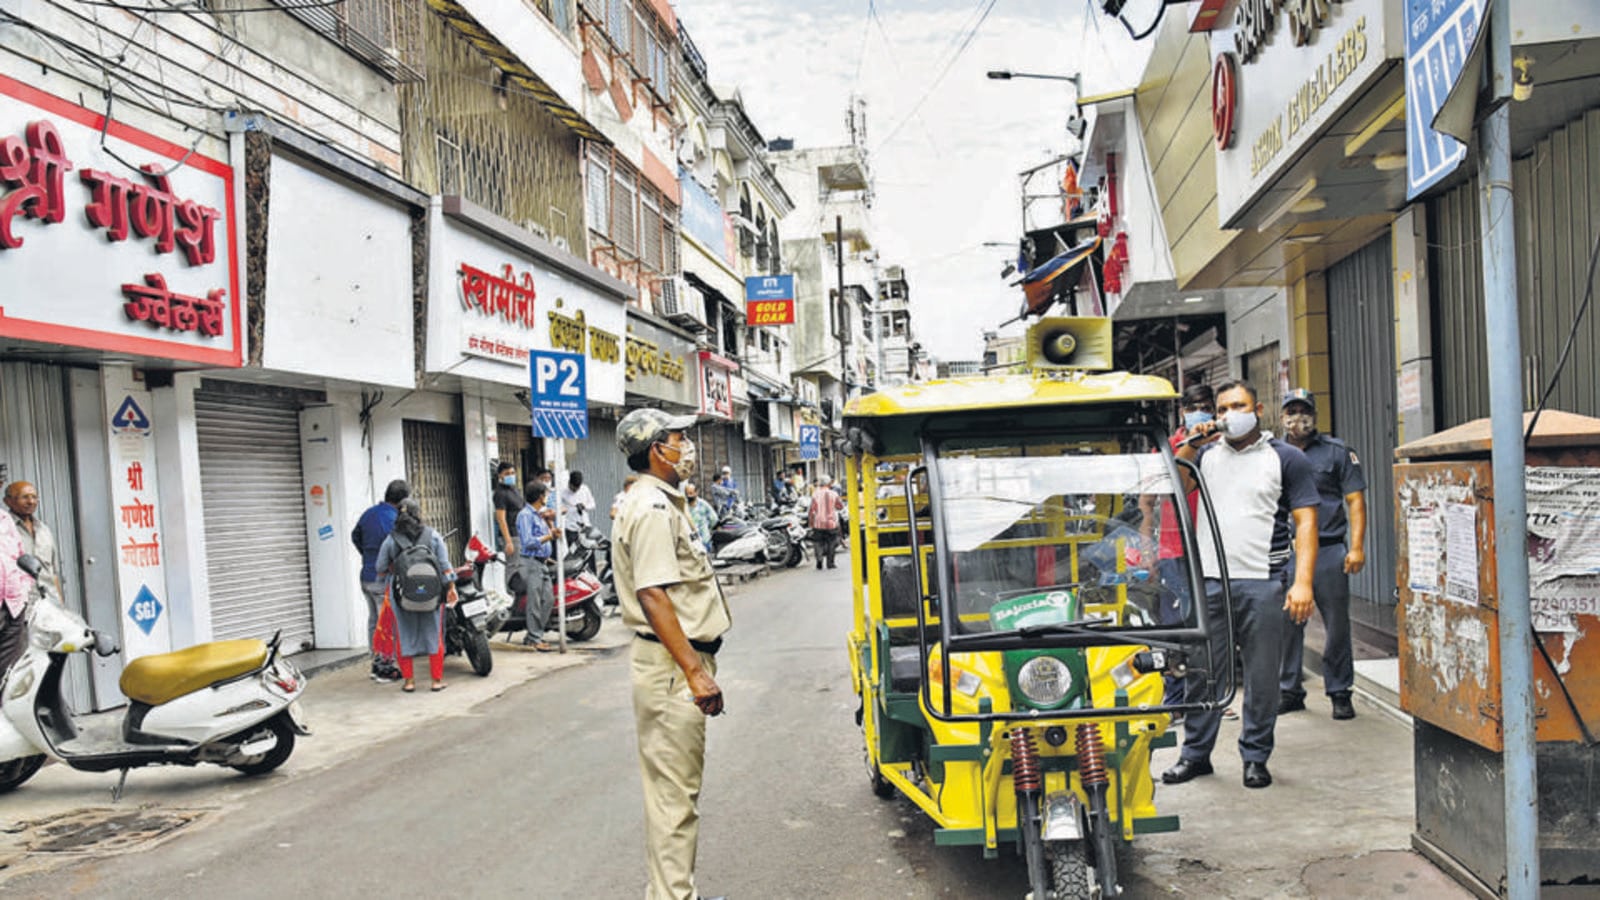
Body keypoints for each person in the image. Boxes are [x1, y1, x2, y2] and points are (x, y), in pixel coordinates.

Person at [1162, 380, 1319, 790]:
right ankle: (1195, 755)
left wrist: (1302, 583)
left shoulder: (1285, 459)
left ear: (1259, 409)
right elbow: (1174, 485)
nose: (1231, 413)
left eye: (1239, 405)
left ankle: (1255, 756)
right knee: (1202, 672)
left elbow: (1306, 522)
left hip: (1263, 582)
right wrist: (1193, 443)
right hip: (1210, 581)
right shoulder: (1205, 457)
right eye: (1224, 407)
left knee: (1262, 676)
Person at [612, 407, 731, 900]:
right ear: (657, 450)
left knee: (674, 796)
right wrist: (694, 672)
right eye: (680, 439)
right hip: (670, 669)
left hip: (671, 665)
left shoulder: (660, 501)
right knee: (673, 800)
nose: (688, 448)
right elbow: (653, 595)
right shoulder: (653, 509)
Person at [1277, 388, 1367, 721]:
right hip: (1287, 551)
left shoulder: (1337, 452)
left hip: (1329, 549)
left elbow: (1355, 501)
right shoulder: (1273, 453)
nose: (1297, 417)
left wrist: (1356, 547)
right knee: (1287, 624)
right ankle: (1290, 690)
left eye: (1304, 411)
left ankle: (1340, 691)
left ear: (1315, 416)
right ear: (1282, 415)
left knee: (1338, 626)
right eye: (1291, 411)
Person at [1138, 383, 1214, 706]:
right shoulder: (1168, 447)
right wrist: (1147, 551)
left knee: (1210, 624)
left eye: (1205, 404)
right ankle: (1176, 698)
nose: (1200, 410)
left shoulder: (1221, 447)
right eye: (1193, 405)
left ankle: (1207, 693)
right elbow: (1147, 503)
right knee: (1174, 625)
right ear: (1184, 411)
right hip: (1175, 550)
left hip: (1212, 550)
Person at [374, 499, 457, 693]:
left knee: (404, 636)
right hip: (433, 594)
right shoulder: (433, 536)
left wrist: (394, 569)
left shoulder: (391, 539)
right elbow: (445, 566)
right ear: (419, 514)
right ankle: (436, 681)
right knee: (434, 634)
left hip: (401, 595)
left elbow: (379, 568)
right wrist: (451, 587)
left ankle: (409, 682)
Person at [352, 479, 409, 683]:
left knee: (374, 620)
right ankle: (384, 667)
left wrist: (367, 555)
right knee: (387, 623)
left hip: (366, 576)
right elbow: (395, 548)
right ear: (402, 501)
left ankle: (375, 660)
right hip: (381, 578)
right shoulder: (392, 520)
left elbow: (355, 536)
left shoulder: (370, 513)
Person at [516, 482, 558, 652]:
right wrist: (549, 537)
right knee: (535, 601)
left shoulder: (539, 515)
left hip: (542, 562)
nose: (546, 497)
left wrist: (551, 526)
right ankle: (534, 638)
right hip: (531, 562)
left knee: (548, 599)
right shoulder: (526, 515)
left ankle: (535, 634)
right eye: (545, 494)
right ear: (540, 496)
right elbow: (528, 542)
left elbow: (546, 536)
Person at [4, 481, 61, 602]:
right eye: (24, 497)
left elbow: (53, 572)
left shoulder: (44, 530)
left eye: (34, 497)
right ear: (8, 501)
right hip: (19, 606)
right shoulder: (4, 529)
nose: (31, 502)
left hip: (50, 602)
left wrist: (60, 604)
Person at [0, 512, 35, 675]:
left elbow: (20, 556)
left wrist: (24, 590)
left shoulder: (4, 519)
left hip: (13, 606)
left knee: (12, 669)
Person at [808, 474, 845, 570]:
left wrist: (811, 523)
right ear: (829, 483)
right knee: (832, 542)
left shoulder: (815, 494)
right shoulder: (834, 494)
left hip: (818, 523)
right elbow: (840, 506)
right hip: (831, 523)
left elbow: (812, 510)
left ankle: (819, 560)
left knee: (817, 542)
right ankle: (830, 563)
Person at [492, 461, 524, 556]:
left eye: (512, 473)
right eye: (507, 474)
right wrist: (508, 541)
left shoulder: (514, 490)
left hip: (520, 533)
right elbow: (501, 519)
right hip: (511, 535)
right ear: (500, 475)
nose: (511, 476)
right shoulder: (500, 493)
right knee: (513, 566)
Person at [560, 470, 597, 538]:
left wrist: (584, 506)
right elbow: (559, 508)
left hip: (585, 525)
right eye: (573, 488)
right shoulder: (562, 492)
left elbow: (593, 504)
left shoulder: (585, 489)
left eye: (577, 488)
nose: (575, 490)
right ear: (569, 483)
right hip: (570, 527)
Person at [684, 482, 717, 552]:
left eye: (691, 493)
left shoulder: (703, 505)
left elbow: (714, 519)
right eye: (687, 494)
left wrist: (707, 529)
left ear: (696, 492)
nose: (689, 496)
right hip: (690, 541)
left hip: (704, 540)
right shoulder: (684, 506)